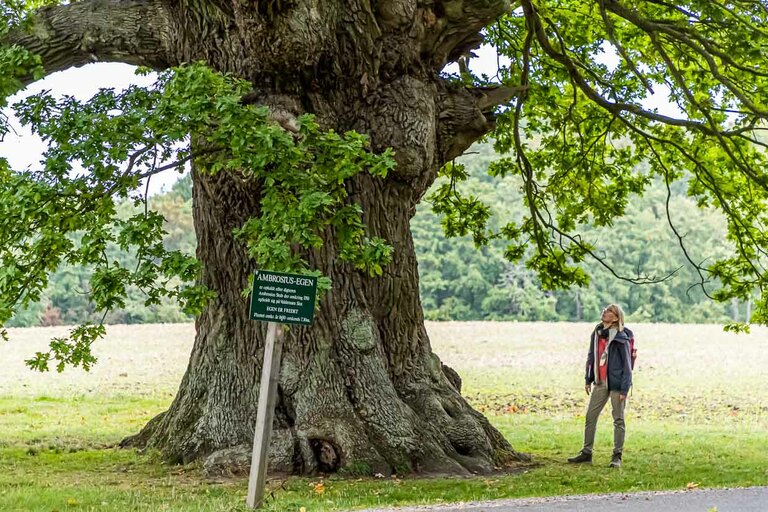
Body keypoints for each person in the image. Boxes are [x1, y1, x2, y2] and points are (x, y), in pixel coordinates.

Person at [568, 304, 635, 468]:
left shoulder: (621, 337)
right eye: (605, 310)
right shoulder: (597, 333)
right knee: (590, 416)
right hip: (600, 381)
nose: (605, 312)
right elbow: (592, 356)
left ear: (616, 317)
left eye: (609, 311)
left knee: (618, 419)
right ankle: (586, 453)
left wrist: (625, 389)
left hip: (617, 383)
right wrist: (588, 378)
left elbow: (627, 365)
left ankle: (617, 456)